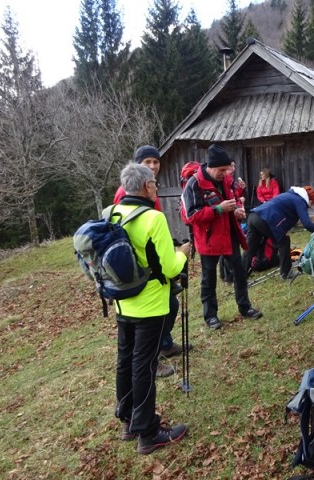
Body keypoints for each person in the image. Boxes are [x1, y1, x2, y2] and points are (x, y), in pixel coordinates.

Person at [112, 162, 191, 454]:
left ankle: (128, 420)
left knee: (125, 362)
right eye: (155, 183)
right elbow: (169, 268)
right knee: (143, 365)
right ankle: (148, 433)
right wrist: (182, 254)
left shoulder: (113, 213)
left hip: (122, 301)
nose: (156, 187)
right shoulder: (153, 217)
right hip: (150, 304)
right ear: (146, 186)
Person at [113, 145, 187, 378]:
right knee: (148, 328)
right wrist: (179, 253)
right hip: (143, 278)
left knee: (171, 306)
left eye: (156, 162)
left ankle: (164, 344)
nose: (153, 166)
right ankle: (153, 358)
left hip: (145, 275)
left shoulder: (146, 195)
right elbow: (135, 236)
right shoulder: (126, 196)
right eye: (148, 162)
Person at [181, 144, 262, 330]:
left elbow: (230, 201)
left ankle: (245, 307)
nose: (225, 173)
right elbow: (190, 216)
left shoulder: (225, 180)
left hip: (229, 233)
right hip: (208, 239)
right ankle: (210, 317)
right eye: (222, 170)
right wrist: (218, 209)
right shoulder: (194, 184)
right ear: (211, 166)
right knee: (208, 278)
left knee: (240, 271)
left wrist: (235, 211)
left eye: (227, 169)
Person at [242, 186, 314, 280]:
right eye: (312, 203)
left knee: (250, 248)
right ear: (309, 199)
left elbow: (283, 213)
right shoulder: (300, 200)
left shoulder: (290, 195)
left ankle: (240, 276)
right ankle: (286, 273)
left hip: (254, 216)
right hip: (265, 219)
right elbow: (307, 223)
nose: (310, 206)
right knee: (284, 242)